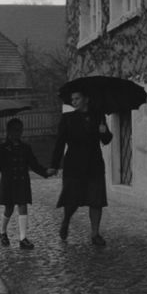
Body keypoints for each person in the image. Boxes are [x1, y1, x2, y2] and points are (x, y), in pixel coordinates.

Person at [49, 90, 113, 245]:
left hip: (94, 164)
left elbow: (106, 140)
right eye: (73, 99)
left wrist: (104, 132)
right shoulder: (67, 118)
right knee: (72, 199)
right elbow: (60, 143)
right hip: (74, 165)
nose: (74, 102)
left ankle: (95, 234)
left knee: (96, 200)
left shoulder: (98, 116)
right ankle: (66, 220)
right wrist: (54, 165)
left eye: (77, 98)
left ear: (86, 99)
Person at [0, 117, 49, 249]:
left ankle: (23, 238)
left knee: (23, 206)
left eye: (20, 130)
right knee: (9, 208)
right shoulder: (3, 148)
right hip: (8, 183)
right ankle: (2, 231)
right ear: (9, 131)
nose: (18, 133)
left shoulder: (25, 147)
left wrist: (45, 172)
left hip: (22, 182)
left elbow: (33, 164)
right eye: (15, 130)